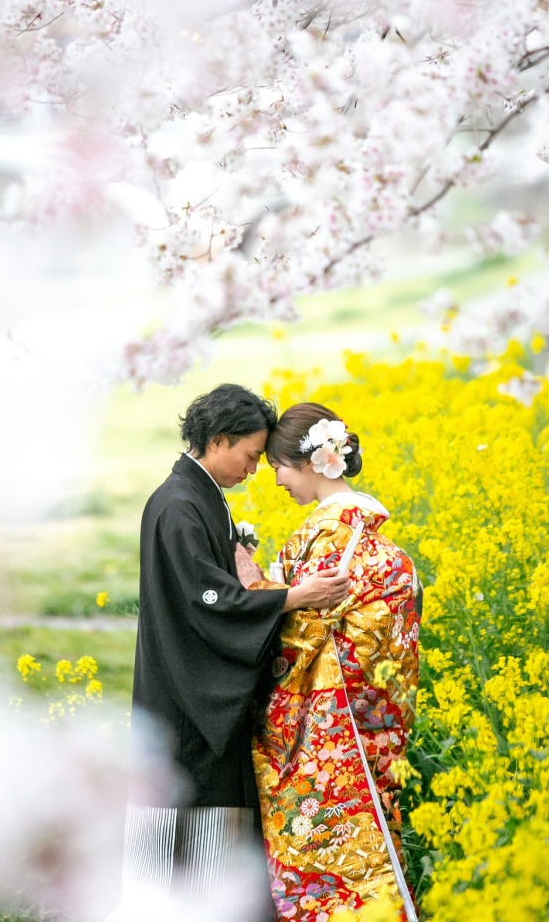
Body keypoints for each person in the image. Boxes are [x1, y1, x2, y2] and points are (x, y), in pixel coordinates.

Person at [125, 385, 350, 910]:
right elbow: (208, 602)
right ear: (218, 440)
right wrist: (294, 596)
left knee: (201, 826)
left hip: (193, 685)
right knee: (192, 822)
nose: (254, 471)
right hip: (188, 698)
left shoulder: (197, 496)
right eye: (250, 456)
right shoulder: (179, 507)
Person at [237, 403, 421, 922]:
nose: (275, 481)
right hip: (369, 726)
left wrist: (255, 587)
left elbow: (297, 633)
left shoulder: (331, 537)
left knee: (324, 851)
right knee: (375, 850)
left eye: (277, 466)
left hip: (328, 731)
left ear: (315, 461)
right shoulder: (371, 536)